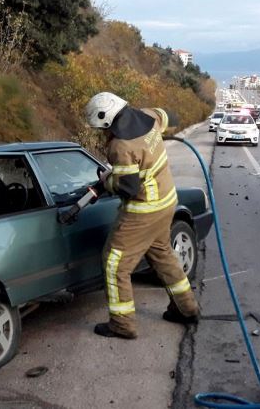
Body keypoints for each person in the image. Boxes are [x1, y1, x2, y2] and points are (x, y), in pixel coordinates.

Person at [84, 92, 199, 339]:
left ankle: (122, 324)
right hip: (167, 203)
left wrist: (107, 181)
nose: (103, 134)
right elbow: (171, 115)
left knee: (114, 264)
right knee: (163, 256)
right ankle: (186, 308)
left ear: (107, 120)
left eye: (102, 129)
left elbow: (128, 187)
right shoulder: (148, 116)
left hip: (143, 211)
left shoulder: (121, 146)